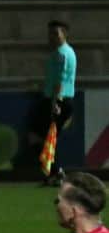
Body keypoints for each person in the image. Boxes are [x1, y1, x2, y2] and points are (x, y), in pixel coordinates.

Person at [38, 20, 77, 185]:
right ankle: (52, 173)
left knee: (51, 137)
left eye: (56, 33)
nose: (52, 37)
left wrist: (56, 101)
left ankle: (57, 173)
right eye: (50, 33)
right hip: (59, 99)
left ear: (64, 34)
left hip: (60, 100)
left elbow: (60, 80)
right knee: (50, 137)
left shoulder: (62, 54)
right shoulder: (62, 52)